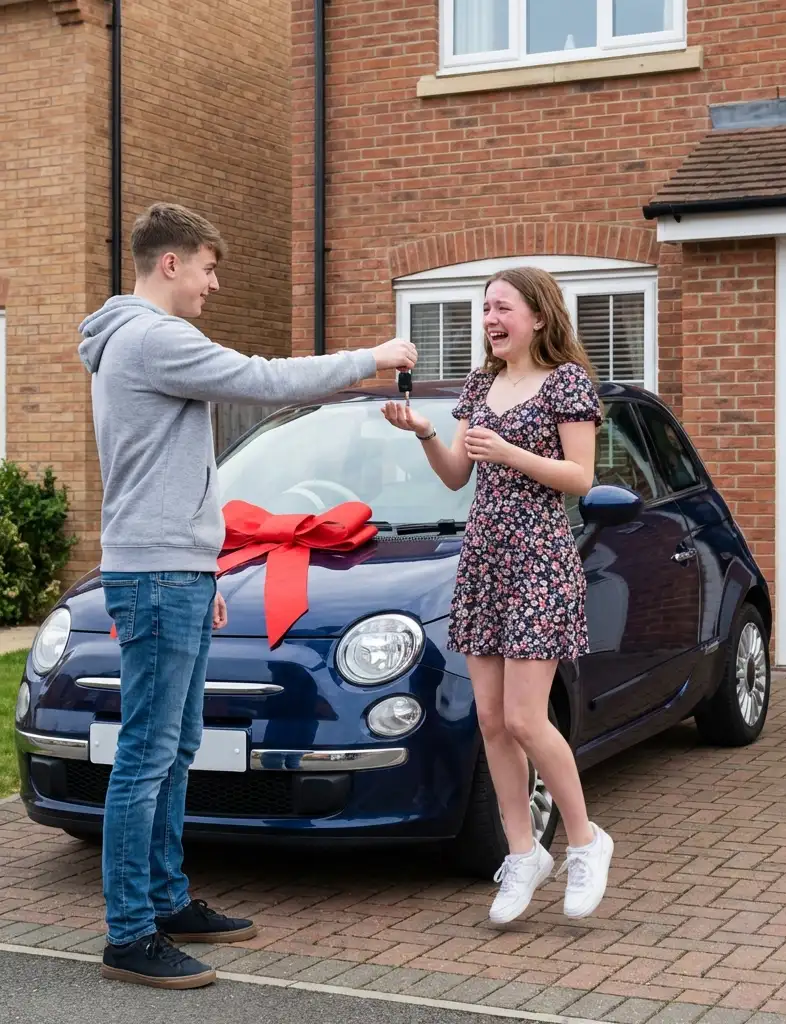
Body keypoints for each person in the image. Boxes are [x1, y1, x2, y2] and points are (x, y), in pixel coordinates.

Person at [77, 202, 416, 989]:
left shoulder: (138, 339)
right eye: (206, 268)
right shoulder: (153, 338)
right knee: (148, 753)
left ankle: (166, 900)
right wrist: (371, 356)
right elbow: (264, 380)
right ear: (170, 264)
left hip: (177, 571)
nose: (214, 284)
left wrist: (202, 568)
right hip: (158, 577)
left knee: (175, 747)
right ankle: (130, 933)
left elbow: (173, 470)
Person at [381, 267, 612, 925]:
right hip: (484, 561)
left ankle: (586, 841)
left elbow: (581, 477)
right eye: (486, 309)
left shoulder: (567, 382)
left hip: (539, 561)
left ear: (538, 315)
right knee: (489, 720)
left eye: (503, 308)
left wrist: (509, 452)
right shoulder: (480, 384)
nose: (490, 319)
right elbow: (458, 475)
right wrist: (425, 433)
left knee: (526, 719)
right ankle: (521, 853)